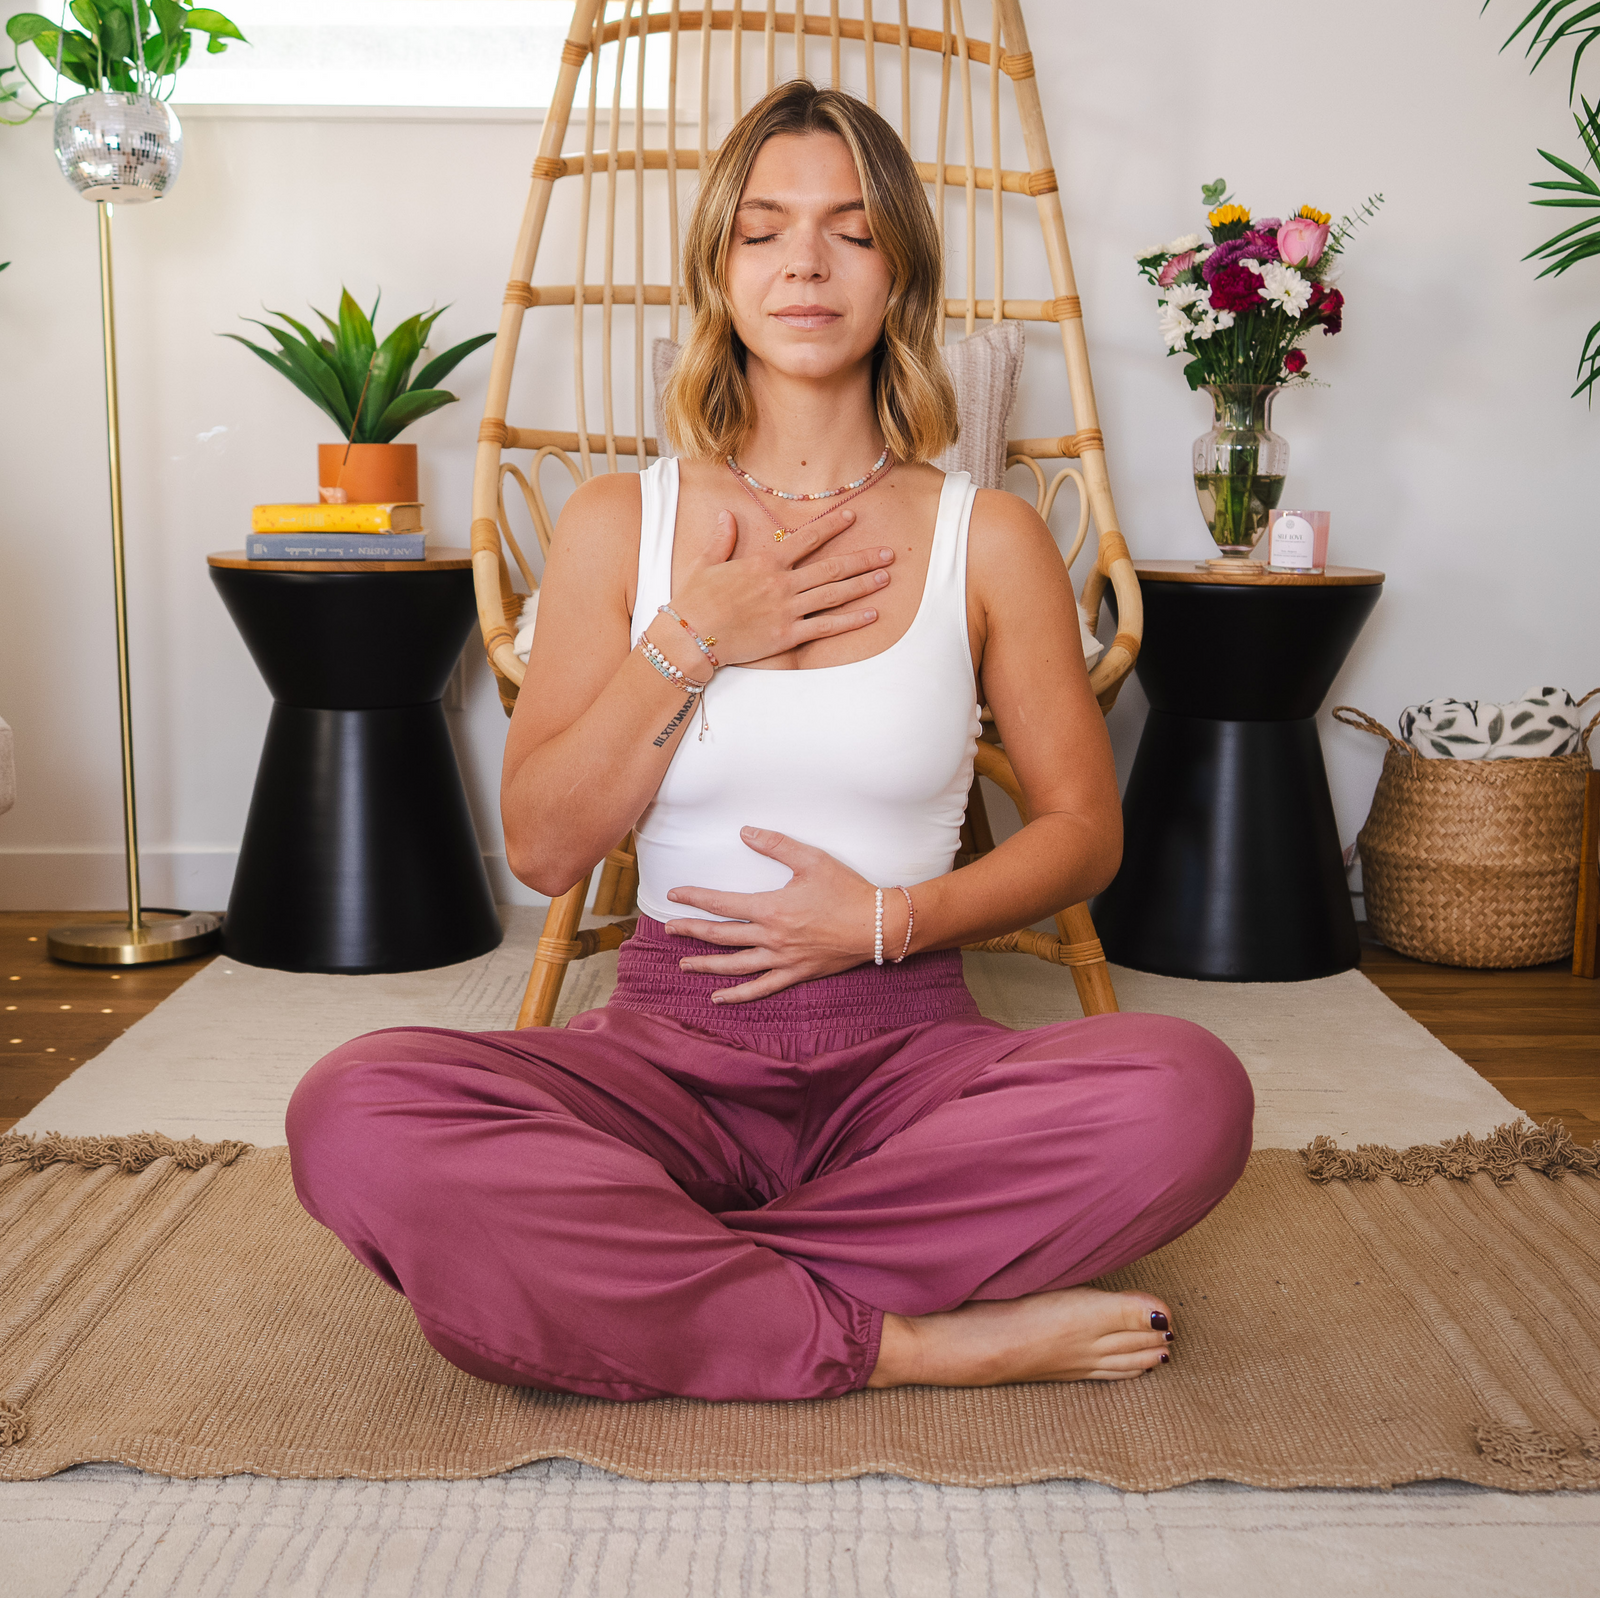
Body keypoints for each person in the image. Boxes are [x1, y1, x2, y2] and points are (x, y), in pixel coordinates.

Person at [287, 80, 1253, 1404]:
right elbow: (545, 849)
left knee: (1186, 1091)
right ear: (719, 269)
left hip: (911, 1061)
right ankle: (899, 1340)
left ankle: (646, 1283)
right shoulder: (618, 523)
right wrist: (696, 634)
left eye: (852, 231)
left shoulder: (989, 536)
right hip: (661, 1056)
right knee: (354, 1110)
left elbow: (1086, 833)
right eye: (763, 231)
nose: (806, 263)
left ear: (899, 272)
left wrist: (888, 921)